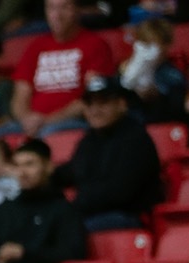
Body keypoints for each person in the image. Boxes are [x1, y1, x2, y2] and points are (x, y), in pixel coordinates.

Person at [52, 77, 167, 233]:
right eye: (89, 104)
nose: (95, 110)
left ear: (121, 104)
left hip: (126, 218)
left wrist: (74, 206)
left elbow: (120, 192)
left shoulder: (136, 139)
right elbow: (73, 171)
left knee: (65, 234)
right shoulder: (89, 140)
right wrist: (42, 175)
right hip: (92, 214)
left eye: (103, 103)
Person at [4, 0, 114, 135]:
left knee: (47, 135)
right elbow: (20, 97)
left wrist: (47, 120)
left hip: (72, 121)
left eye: (65, 8)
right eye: (51, 8)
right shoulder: (36, 46)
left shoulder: (95, 45)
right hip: (31, 123)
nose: (57, 15)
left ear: (77, 10)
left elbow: (92, 97)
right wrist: (26, 119)